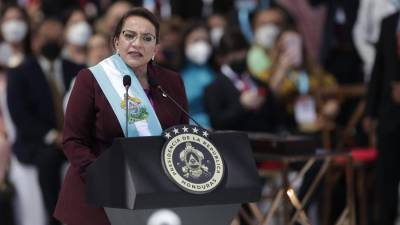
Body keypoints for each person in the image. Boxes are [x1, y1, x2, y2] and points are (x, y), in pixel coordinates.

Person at [54, 7, 189, 225]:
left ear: (156, 46)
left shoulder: (172, 82)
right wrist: (106, 180)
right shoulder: (90, 79)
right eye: (129, 35)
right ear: (116, 41)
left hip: (153, 194)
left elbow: (180, 136)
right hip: (98, 197)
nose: (137, 43)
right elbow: (73, 141)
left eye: (147, 38)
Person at [6, 18, 84, 225]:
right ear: (36, 41)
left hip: (74, 138)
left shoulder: (78, 70)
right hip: (37, 142)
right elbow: (21, 116)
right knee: (48, 159)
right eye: (47, 37)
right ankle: (56, 219)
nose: (52, 41)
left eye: (57, 36)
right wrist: (53, 136)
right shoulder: (20, 73)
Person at [204, 28, 281, 132]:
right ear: (222, 57)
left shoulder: (259, 83)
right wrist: (242, 106)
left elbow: (276, 118)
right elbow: (217, 123)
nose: (239, 56)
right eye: (233, 52)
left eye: (242, 51)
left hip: (265, 142)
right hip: (234, 145)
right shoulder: (214, 88)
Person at [363, 11, 400, 225]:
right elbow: (378, 70)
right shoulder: (388, 23)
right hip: (389, 115)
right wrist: (370, 112)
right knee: (386, 176)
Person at [179, 21, 215, 128]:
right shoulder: (174, 74)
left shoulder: (217, 73)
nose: (201, 45)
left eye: (205, 41)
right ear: (184, 43)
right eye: (196, 40)